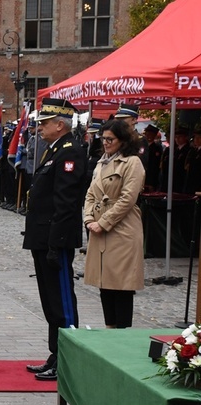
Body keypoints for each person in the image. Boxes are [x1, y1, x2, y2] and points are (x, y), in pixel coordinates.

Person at [23, 98, 87, 381]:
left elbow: (66, 202)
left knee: (61, 302)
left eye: (44, 123)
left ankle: (68, 359)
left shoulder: (69, 152)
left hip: (55, 239)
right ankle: (55, 352)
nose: (39, 128)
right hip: (43, 237)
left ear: (60, 124)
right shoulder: (54, 150)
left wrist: (55, 243)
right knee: (50, 302)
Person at [83, 119, 145, 328]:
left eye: (111, 139)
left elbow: (128, 198)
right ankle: (109, 330)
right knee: (104, 283)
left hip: (123, 229)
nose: (106, 143)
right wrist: (89, 219)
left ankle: (122, 333)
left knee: (121, 285)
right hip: (100, 227)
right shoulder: (102, 161)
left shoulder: (132, 162)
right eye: (104, 139)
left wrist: (104, 222)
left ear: (123, 141)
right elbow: (90, 193)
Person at [142, 124, 163, 191]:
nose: (148, 136)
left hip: (151, 176)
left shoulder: (156, 148)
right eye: (147, 134)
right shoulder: (142, 146)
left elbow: (155, 166)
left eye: (150, 134)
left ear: (154, 136)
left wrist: (152, 183)